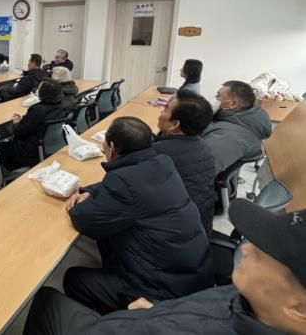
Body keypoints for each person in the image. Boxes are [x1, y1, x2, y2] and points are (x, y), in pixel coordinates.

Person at [24, 199, 306, 335]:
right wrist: (157, 310)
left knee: (46, 300)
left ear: (300, 309)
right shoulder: (248, 299)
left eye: (263, 253)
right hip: (151, 312)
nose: (245, 249)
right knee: (78, 281)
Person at [64, 117, 213, 315]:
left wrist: (76, 204)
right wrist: (90, 190)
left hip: (162, 291)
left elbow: (84, 220)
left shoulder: (122, 181)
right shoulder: (162, 161)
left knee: (74, 278)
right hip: (191, 273)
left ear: (112, 148)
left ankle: (117, 320)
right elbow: (132, 188)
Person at [154, 90, 216, 233]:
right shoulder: (203, 146)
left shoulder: (157, 155)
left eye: (166, 109)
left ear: (175, 124)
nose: (161, 112)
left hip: (170, 234)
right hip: (199, 227)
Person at [202, 80, 272, 173]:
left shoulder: (227, 138)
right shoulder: (237, 120)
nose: (215, 99)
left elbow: (200, 170)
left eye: (218, 96)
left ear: (233, 104)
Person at [0, 79, 67, 171]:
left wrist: (16, 123)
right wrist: (25, 120)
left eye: (39, 88)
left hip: (30, 151)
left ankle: (1, 175)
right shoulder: (61, 107)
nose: (37, 90)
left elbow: (19, 132)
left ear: (43, 92)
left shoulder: (37, 110)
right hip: (50, 146)